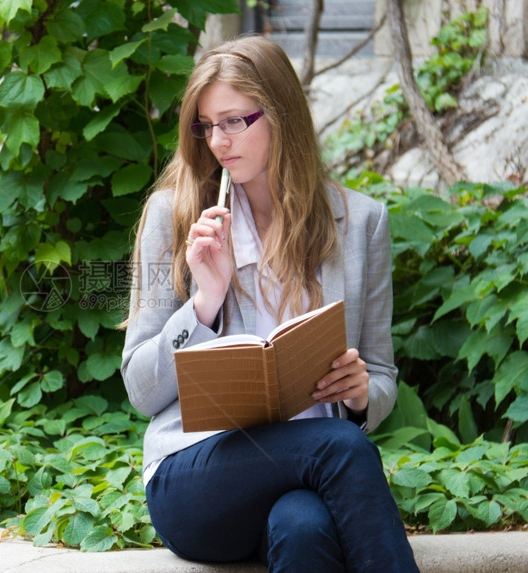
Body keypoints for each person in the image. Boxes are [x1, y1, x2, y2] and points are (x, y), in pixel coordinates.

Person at [121, 36, 419, 572]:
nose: (217, 140)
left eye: (235, 121)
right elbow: (141, 390)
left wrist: (357, 395)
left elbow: (380, 374)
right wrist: (205, 300)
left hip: (302, 473)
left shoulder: (362, 223)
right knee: (338, 447)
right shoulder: (175, 216)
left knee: (303, 530)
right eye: (207, 125)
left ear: (280, 115)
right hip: (195, 476)